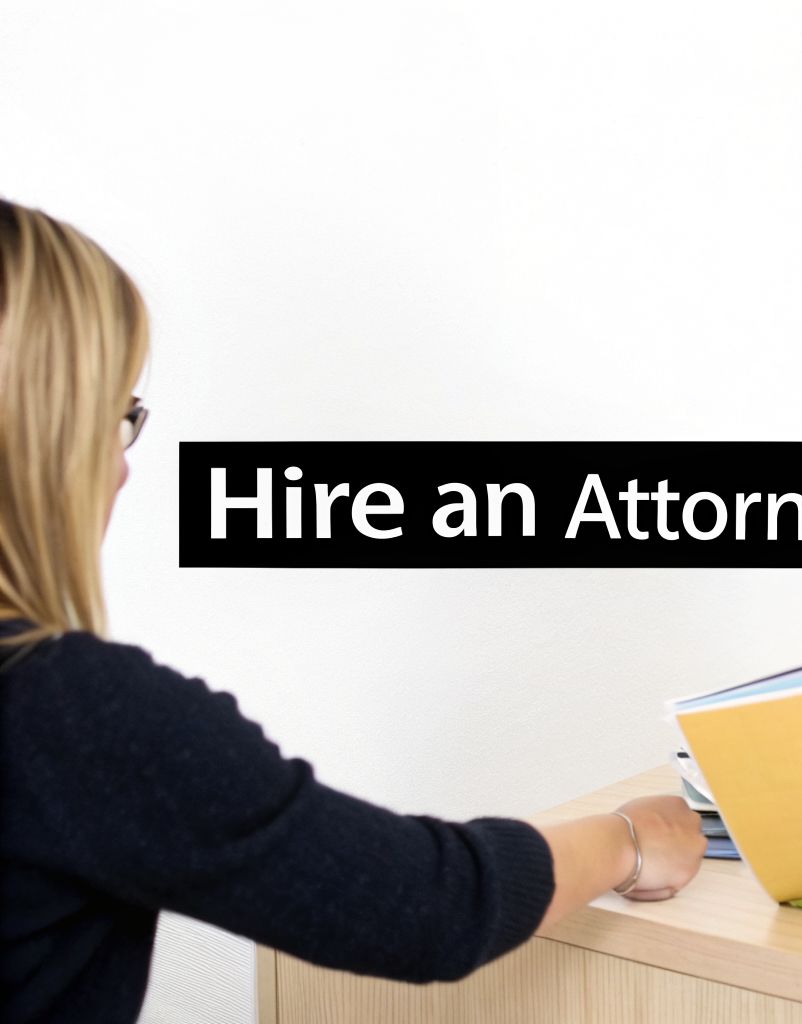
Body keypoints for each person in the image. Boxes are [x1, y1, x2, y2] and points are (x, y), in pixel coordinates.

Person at [0, 197, 708, 1022]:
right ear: (44, 433)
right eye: (113, 417)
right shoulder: (69, 712)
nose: (119, 468)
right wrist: (628, 837)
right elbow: (425, 909)